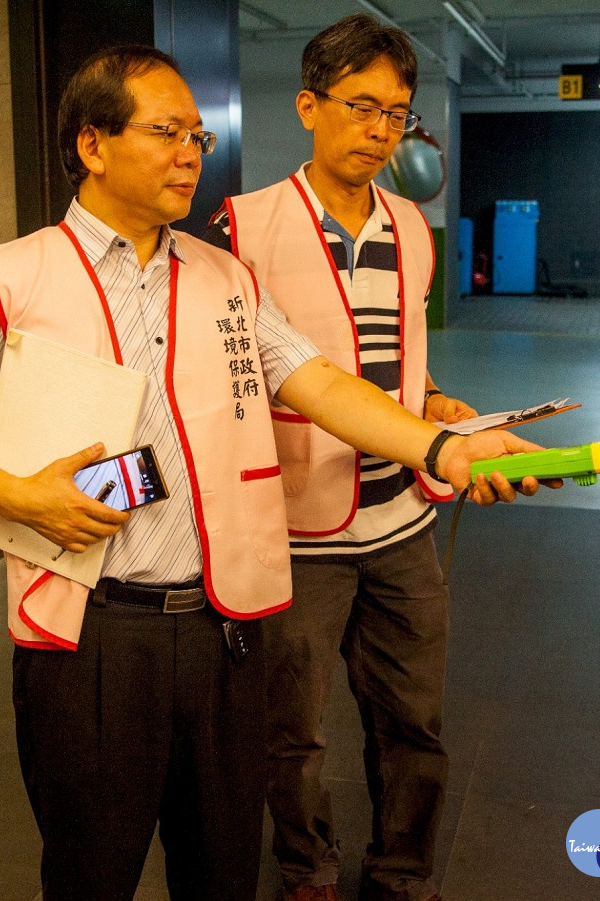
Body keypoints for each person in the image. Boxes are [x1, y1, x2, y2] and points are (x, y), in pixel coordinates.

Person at [0, 44, 544, 901]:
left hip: (225, 629)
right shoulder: (6, 277)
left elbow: (318, 383)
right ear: (92, 144)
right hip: (93, 634)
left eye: (197, 136)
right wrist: (22, 495)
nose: (191, 154)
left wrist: (440, 447)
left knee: (223, 867)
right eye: (166, 133)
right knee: (93, 868)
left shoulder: (223, 276)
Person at [207, 15, 491, 901]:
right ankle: (309, 867)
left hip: (405, 518)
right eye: (361, 106)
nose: (379, 130)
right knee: (292, 728)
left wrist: (439, 407)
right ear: (307, 105)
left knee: (415, 719)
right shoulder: (241, 229)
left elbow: (403, 360)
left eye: (397, 114)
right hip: (296, 527)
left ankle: (403, 870)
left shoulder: (413, 226)